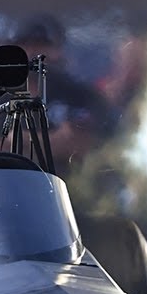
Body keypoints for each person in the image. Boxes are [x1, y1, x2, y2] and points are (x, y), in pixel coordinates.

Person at [12, 13, 116, 178]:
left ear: (58, 50)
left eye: (42, 45)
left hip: (65, 187)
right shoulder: (0, 97)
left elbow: (84, 142)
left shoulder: (76, 94)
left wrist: (24, 140)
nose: (33, 53)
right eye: (26, 44)